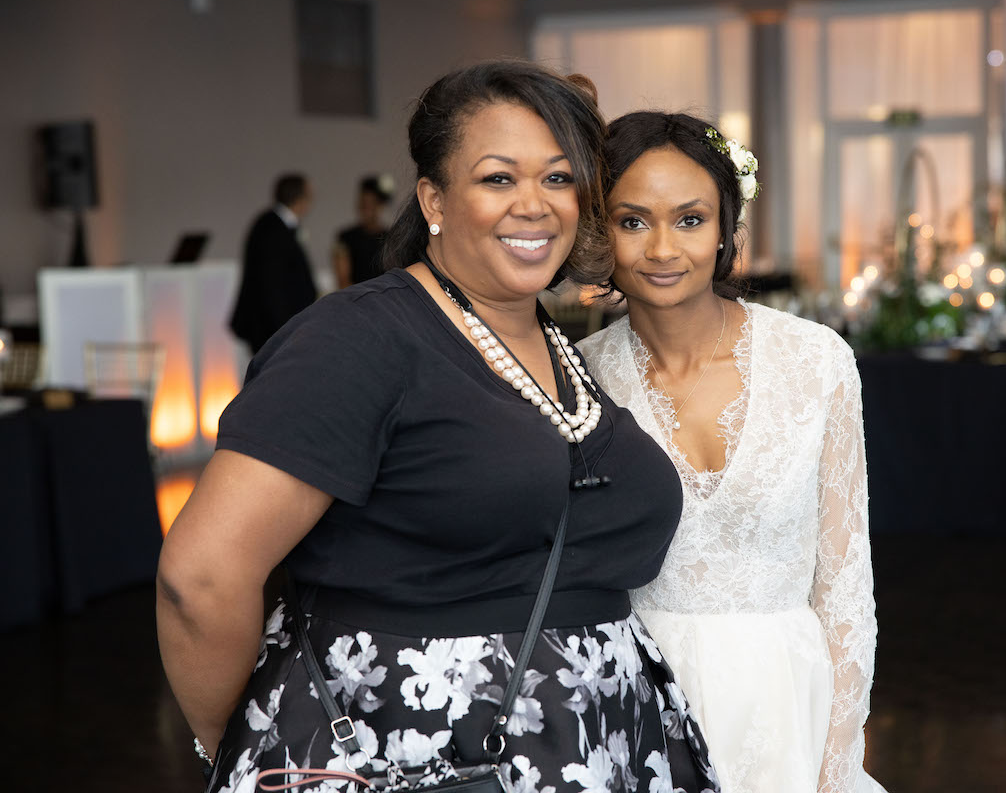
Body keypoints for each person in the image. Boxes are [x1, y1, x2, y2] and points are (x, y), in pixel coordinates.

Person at [157, 62, 720, 793]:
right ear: (434, 199)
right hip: (413, 749)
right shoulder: (359, 338)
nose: (535, 205)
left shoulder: (553, 346)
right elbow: (199, 578)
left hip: (594, 741)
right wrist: (250, 742)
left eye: (558, 179)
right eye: (497, 179)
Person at [578, 112, 887, 793]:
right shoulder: (577, 377)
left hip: (787, 703)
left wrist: (837, 760)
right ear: (601, 234)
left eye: (689, 219)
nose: (663, 248)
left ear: (725, 231)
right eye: (633, 221)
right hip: (638, 703)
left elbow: (844, 586)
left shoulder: (816, 362)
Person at [229, 173, 318, 353]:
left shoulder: (274, 224)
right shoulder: (273, 229)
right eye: (310, 195)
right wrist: (285, 330)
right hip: (272, 329)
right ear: (300, 198)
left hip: (276, 326)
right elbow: (271, 286)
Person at [333, 174, 393, 288]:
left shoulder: (390, 238)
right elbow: (343, 279)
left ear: (380, 206)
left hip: (383, 298)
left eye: (371, 204)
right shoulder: (346, 237)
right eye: (363, 203)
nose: (365, 209)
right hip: (355, 298)